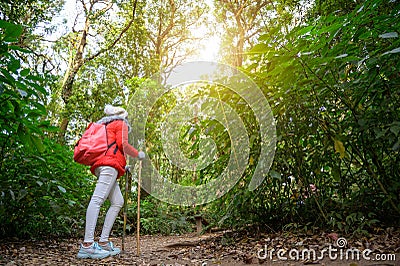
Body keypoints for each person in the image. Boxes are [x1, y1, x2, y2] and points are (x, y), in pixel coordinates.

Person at [77, 104, 145, 259]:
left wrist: (124, 165)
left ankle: (103, 242)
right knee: (97, 200)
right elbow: (123, 145)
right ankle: (87, 244)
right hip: (109, 166)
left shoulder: (105, 125)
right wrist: (138, 154)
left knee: (118, 201)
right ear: (123, 116)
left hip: (104, 165)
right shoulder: (121, 123)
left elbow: (112, 148)